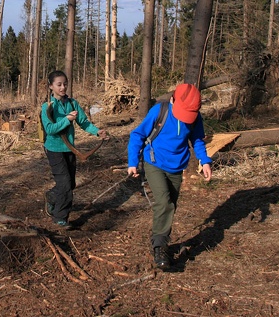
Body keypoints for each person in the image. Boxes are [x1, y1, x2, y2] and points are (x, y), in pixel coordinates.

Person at [127, 83, 212, 270]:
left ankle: (162, 240)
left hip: (177, 167)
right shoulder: (160, 111)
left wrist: (204, 161)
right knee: (164, 202)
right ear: (172, 99)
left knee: (171, 205)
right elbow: (137, 135)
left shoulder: (195, 118)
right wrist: (133, 162)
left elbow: (197, 139)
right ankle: (159, 247)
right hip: (154, 162)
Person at [41, 70, 108, 227]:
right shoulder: (47, 107)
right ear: (51, 86)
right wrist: (66, 119)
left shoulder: (72, 103)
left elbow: (84, 123)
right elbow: (50, 129)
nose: (63, 87)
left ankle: (51, 197)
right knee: (65, 185)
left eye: (65, 84)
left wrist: (98, 132)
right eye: (59, 85)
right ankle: (60, 217)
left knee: (70, 184)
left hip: (69, 149)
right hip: (53, 149)